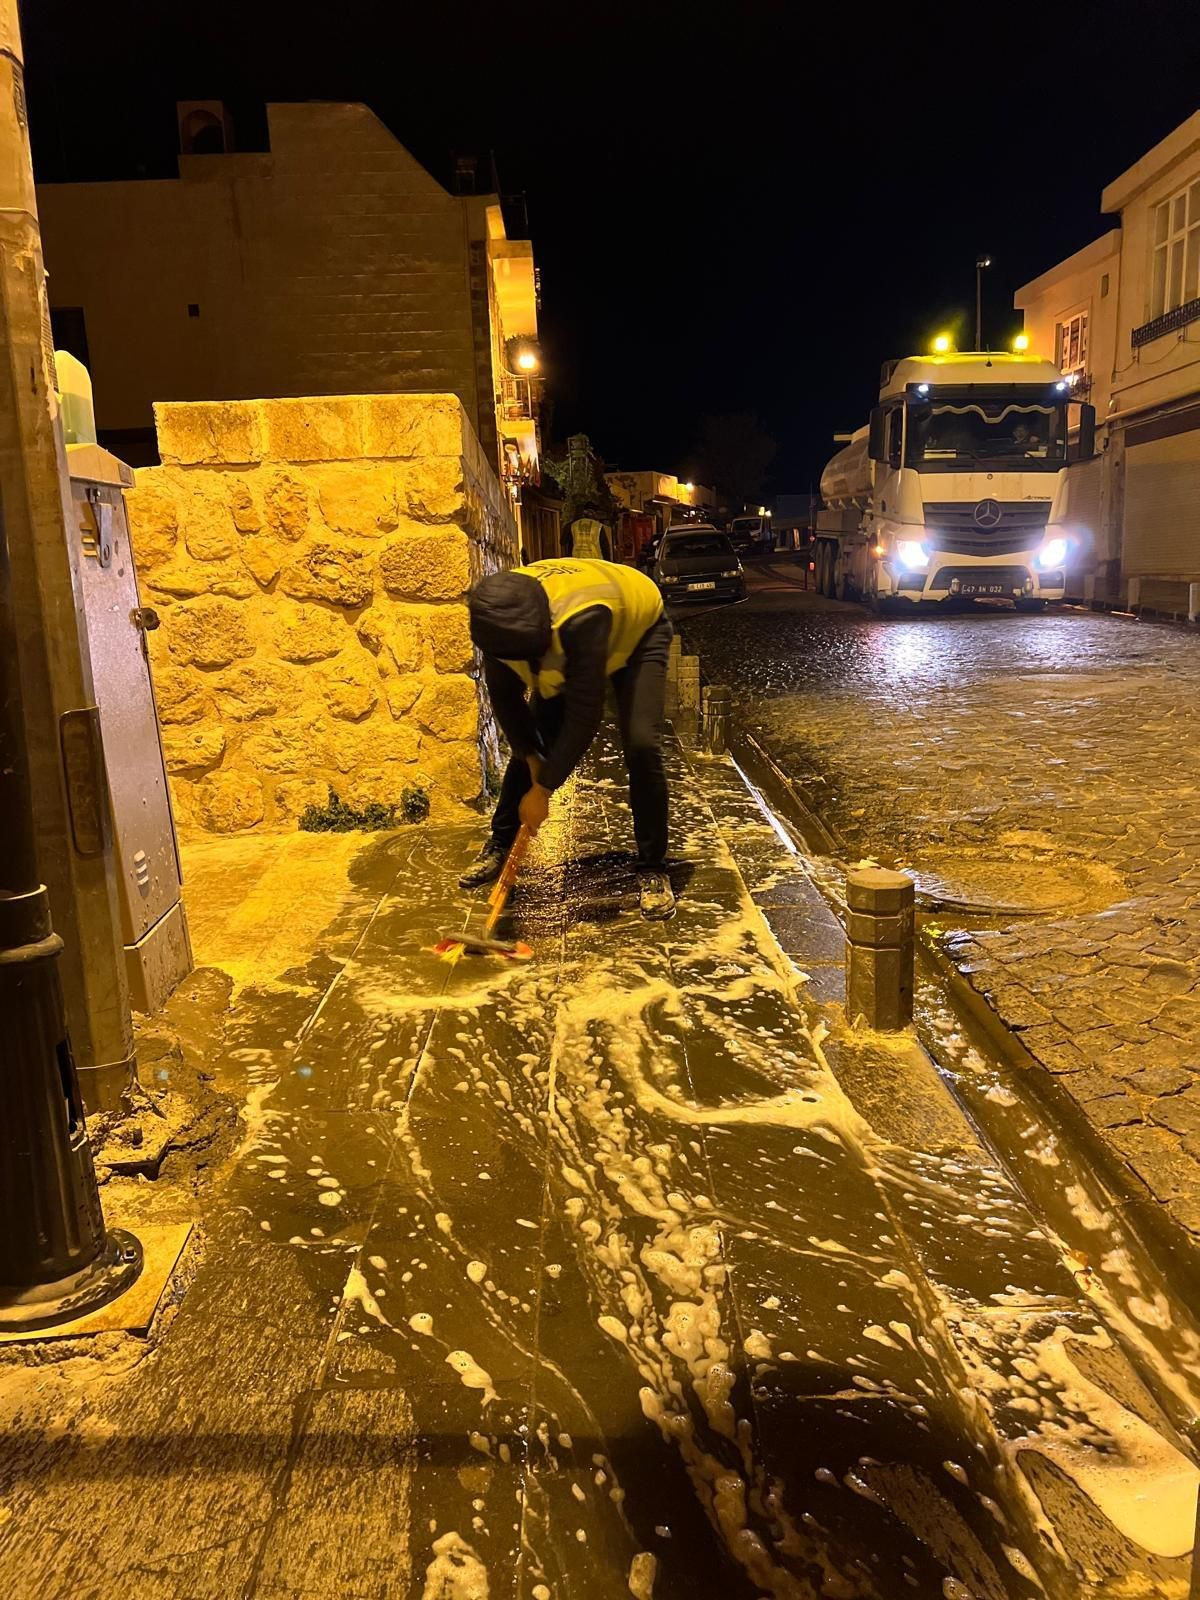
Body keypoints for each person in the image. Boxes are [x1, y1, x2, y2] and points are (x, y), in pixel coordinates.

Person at [460, 557, 675, 918]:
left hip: (639, 632)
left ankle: (653, 867)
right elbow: (506, 700)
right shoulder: (495, 619)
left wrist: (542, 791)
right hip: (561, 641)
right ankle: (500, 843)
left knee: (641, 743)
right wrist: (531, 760)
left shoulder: (581, 618)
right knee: (532, 740)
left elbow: (583, 716)